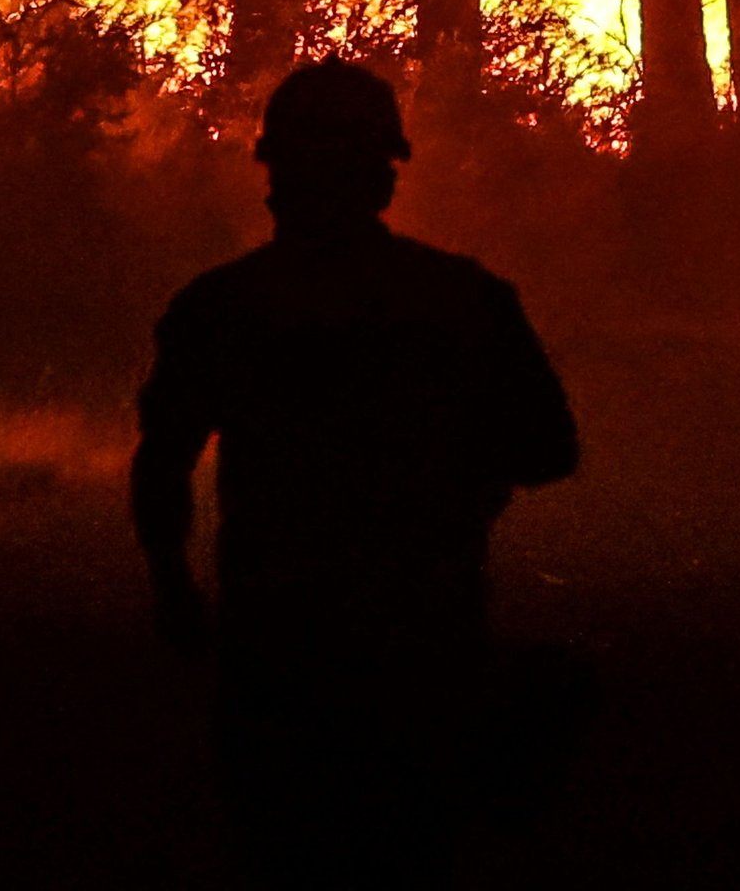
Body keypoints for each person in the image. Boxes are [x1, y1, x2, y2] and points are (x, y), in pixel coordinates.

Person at [131, 58, 580, 886]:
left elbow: (162, 463)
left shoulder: (222, 307)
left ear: (275, 176)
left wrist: (174, 592)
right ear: (386, 174)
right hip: (421, 636)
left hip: (275, 644)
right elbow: (549, 450)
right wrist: (459, 481)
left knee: (279, 849)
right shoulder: (463, 300)